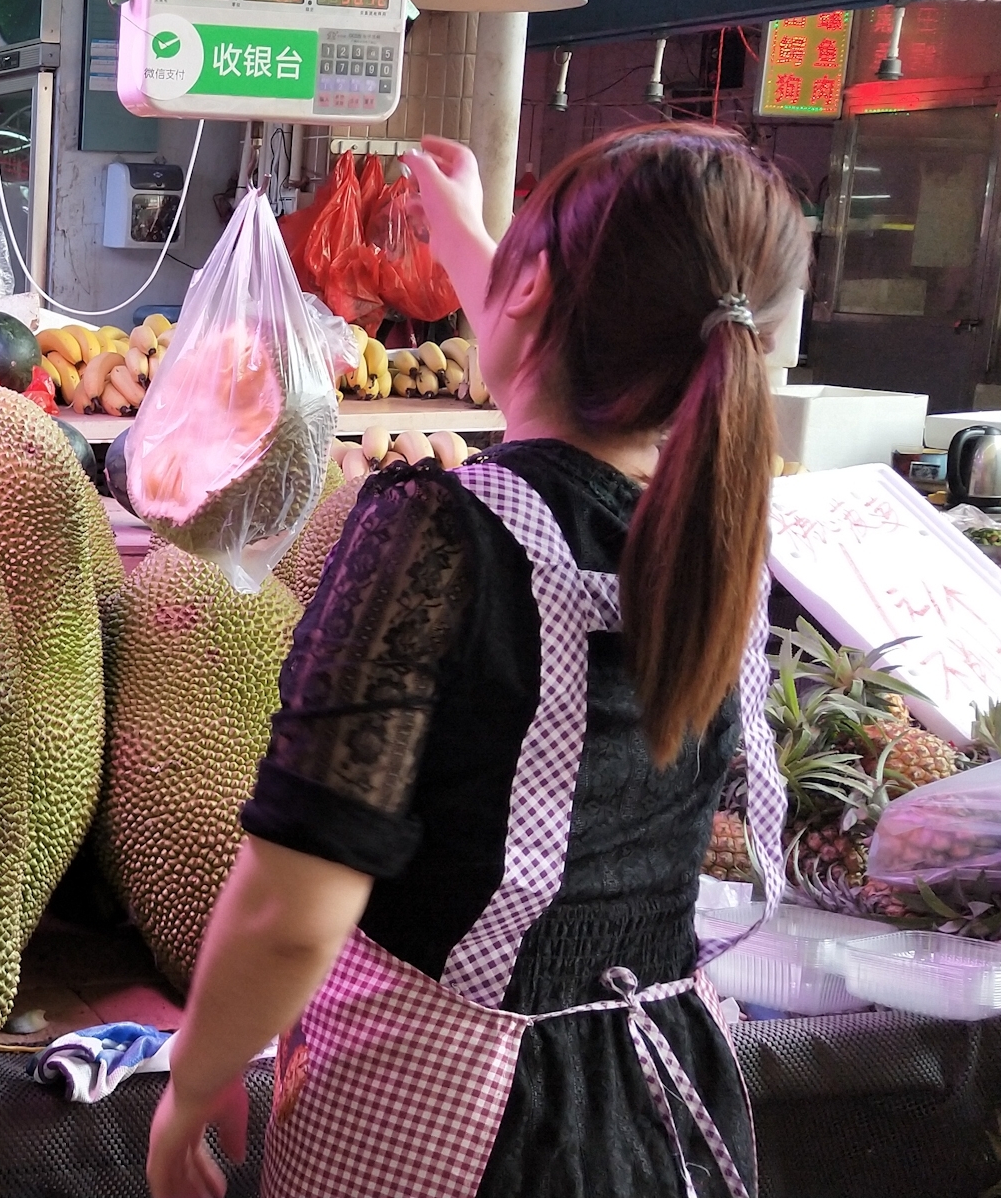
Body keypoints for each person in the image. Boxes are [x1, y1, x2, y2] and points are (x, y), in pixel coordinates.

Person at [145, 124, 809, 1198]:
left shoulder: (436, 538)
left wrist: (191, 1085)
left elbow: (290, 907)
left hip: (451, 1112)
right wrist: (467, 236)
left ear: (534, 285)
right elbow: (571, 360)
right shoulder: (717, 541)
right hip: (652, 1100)